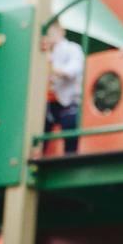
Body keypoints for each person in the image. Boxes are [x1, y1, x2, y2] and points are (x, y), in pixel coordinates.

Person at [40, 22, 86, 155]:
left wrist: (49, 66)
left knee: (70, 128)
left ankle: (70, 158)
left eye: (51, 31)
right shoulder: (47, 51)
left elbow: (72, 71)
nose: (49, 35)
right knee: (40, 129)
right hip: (49, 102)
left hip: (68, 101)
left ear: (61, 31)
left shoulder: (72, 49)